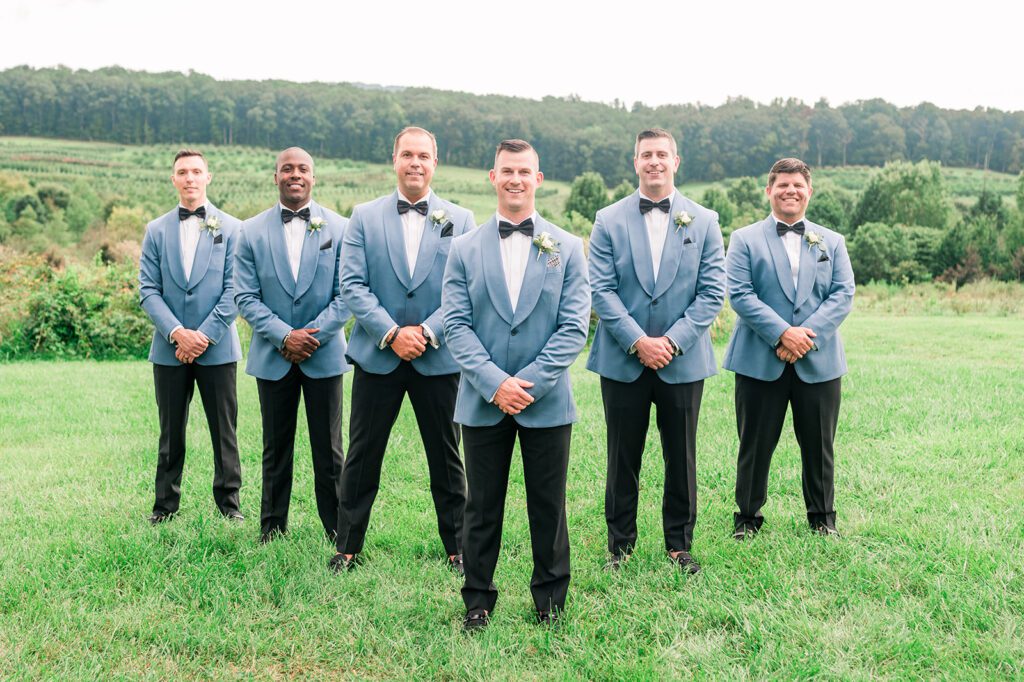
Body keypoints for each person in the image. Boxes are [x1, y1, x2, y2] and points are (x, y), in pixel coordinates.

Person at [442, 139, 590, 630]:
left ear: (538, 179)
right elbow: (456, 326)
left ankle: (550, 601)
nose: (516, 180)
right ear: (493, 176)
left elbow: (573, 328)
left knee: (548, 505)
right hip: (483, 402)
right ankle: (478, 602)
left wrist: (524, 384)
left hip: (545, 402)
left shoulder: (567, 248)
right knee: (482, 506)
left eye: (525, 171)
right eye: (507, 170)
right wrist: (493, 384)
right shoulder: (462, 249)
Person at [330, 127, 473, 574]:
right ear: (394, 159)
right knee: (362, 454)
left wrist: (426, 333)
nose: (415, 162)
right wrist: (391, 334)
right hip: (378, 356)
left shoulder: (461, 219)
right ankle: (347, 546)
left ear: (436, 162)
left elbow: (464, 291)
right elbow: (352, 284)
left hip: (439, 358)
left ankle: (458, 547)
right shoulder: (364, 216)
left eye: (423, 155)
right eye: (407, 154)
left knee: (447, 458)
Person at [587, 128, 725, 573]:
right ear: (635, 163)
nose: (654, 162)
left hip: (682, 360)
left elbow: (711, 292)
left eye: (662, 154)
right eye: (646, 155)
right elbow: (602, 290)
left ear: (676, 161)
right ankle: (620, 547)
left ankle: (678, 544)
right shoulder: (607, 219)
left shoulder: (704, 220)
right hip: (622, 359)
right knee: (621, 456)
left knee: (681, 457)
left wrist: (670, 342)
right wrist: (637, 341)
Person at [722, 157, 855, 539]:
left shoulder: (833, 241)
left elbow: (843, 293)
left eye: (798, 185)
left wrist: (803, 337)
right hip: (759, 359)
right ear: (769, 191)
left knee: (819, 445)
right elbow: (741, 295)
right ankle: (747, 518)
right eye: (782, 185)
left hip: (819, 360)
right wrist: (782, 334)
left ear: (809, 191)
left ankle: (822, 519)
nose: (790, 191)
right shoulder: (745, 239)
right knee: (754, 443)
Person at [234, 147, 351, 544]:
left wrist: (310, 336)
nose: (295, 174)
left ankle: (337, 530)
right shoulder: (249, 231)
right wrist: (284, 335)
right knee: (275, 447)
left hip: (325, 355)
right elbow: (245, 296)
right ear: (276, 177)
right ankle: (271, 528)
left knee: (330, 451)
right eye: (287, 169)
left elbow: (347, 293)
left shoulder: (341, 227)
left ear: (313, 177)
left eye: (302, 169)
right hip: (273, 355)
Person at [139, 149, 243, 524]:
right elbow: (148, 290)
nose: (190, 178)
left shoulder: (233, 228)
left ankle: (229, 506)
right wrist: (178, 334)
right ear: (173, 180)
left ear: (208, 177)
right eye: (182, 172)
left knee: (224, 431)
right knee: (171, 433)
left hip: (217, 350)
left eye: (196, 171)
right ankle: (164, 506)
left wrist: (203, 336)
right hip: (169, 350)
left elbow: (236, 289)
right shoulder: (155, 230)